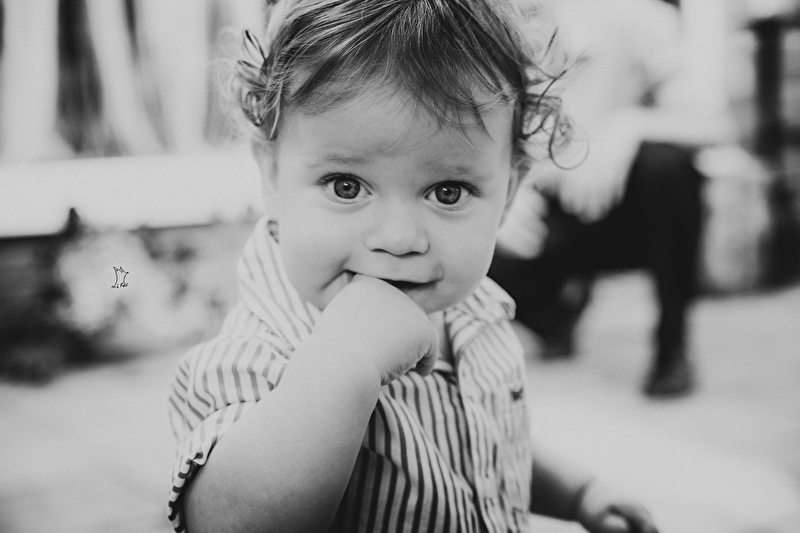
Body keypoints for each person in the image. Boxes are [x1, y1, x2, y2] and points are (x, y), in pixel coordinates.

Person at [166, 1, 660, 532]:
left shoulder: (466, 308)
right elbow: (226, 523)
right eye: (346, 186)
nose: (399, 239)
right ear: (271, 174)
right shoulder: (259, 354)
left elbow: (473, 437)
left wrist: (578, 494)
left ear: (510, 191)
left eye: (448, 192)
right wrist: (345, 362)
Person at [489, 0, 737, 397]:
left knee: (668, 169)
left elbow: (715, 124)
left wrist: (629, 126)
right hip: (540, 205)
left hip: (617, 205)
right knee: (466, 222)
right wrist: (502, 187)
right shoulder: (493, 20)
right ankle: (554, 315)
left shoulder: (640, 18)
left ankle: (671, 346)